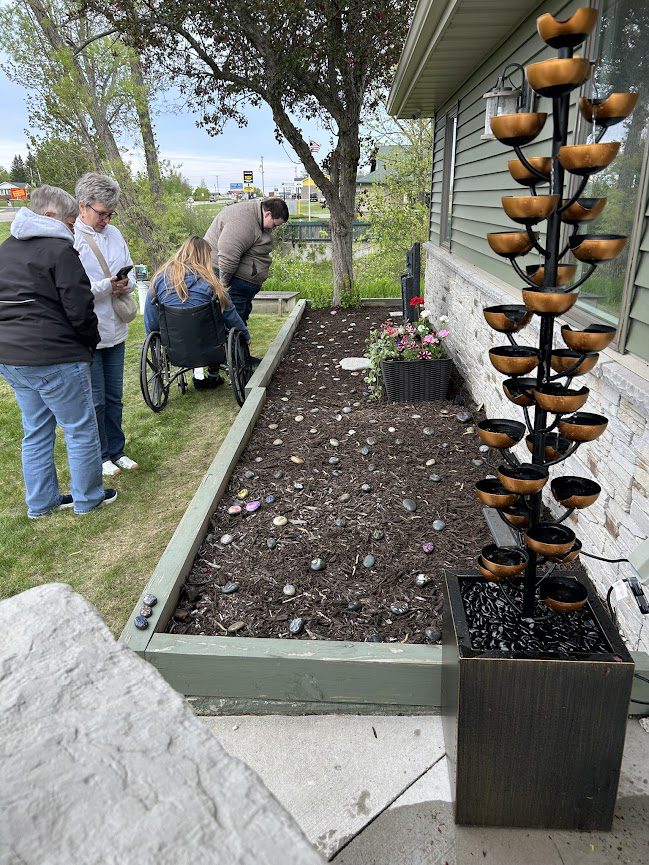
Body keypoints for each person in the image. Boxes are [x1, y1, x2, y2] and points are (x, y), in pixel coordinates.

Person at [0, 185, 116, 517]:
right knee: (80, 427)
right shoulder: (60, 251)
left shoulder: (5, 249)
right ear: (49, 216)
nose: (71, 228)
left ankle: (41, 503)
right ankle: (88, 498)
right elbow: (80, 308)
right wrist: (89, 344)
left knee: (35, 430)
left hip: (11, 356)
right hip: (54, 355)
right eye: (69, 221)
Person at [74, 172, 138, 479]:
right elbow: (74, 289)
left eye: (111, 214)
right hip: (90, 332)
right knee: (95, 400)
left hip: (116, 327)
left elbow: (132, 270)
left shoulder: (115, 234)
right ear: (83, 206)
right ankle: (100, 455)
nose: (106, 220)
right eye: (102, 213)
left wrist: (126, 283)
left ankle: (118, 450)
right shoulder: (72, 238)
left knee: (114, 396)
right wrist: (105, 287)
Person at [144, 236, 250, 388]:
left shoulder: (160, 279)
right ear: (205, 257)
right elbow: (230, 314)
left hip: (174, 346)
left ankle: (198, 375)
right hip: (210, 345)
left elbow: (151, 316)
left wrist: (152, 336)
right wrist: (245, 335)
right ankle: (212, 373)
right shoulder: (211, 283)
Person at [204, 197, 288, 355]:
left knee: (240, 318)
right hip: (229, 278)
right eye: (275, 224)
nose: (274, 229)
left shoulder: (255, 219)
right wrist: (223, 286)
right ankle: (236, 361)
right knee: (234, 322)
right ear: (268, 214)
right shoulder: (242, 221)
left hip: (240, 283)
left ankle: (240, 357)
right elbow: (228, 256)